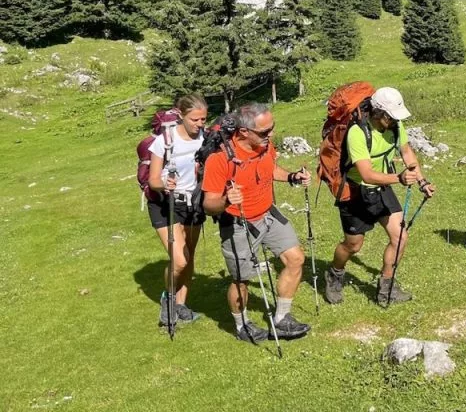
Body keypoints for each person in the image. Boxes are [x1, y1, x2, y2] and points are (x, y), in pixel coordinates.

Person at [201, 103, 313, 343]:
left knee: (295, 258)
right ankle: (242, 326)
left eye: (272, 128)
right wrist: (225, 199)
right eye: (264, 132)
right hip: (238, 223)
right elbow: (208, 204)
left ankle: (282, 319)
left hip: (268, 214)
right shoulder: (220, 160)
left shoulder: (263, 145)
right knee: (242, 279)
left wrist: (292, 176)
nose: (270, 135)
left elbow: (270, 168)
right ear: (243, 132)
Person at [323, 87, 435, 307]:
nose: (394, 122)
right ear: (379, 113)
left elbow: (406, 152)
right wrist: (400, 178)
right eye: (391, 117)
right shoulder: (357, 132)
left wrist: (422, 181)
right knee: (353, 246)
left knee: (400, 236)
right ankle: (335, 274)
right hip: (356, 191)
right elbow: (366, 174)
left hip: (382, 187)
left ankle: (387, 287)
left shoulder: (395, 125)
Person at [147, 93, 208, 328]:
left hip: (193, 202)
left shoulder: (205, 138)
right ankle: (168, 297)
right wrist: (165, 184)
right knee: (180, 260)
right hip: (165, 203)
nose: (199, 124)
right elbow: (153, 180)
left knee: (189, 254)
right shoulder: (165, 141)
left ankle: (182, 305)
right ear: (181, 116)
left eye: (203, 119)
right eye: (195, 119)